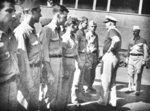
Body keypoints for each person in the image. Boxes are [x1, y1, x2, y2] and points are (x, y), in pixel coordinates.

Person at [14, 0, 42, 110]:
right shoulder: (21, 32)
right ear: (31, 11)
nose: (41, 14)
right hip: (26, 79)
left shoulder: (32, 30)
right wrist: (30, 85)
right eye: (39, 11)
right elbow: (22, 63)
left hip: (35, 74)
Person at [40, 4, 68, 111]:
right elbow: (44, 52)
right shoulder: (47, 30)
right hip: (50, 63)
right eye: (64, 17)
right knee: (48, 93)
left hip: (58, 62)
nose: (66, 20)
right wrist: (49, 71)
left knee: (56, 93)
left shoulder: (59, 29)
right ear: (57, 15)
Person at [98, 15, 122, 107]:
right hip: (115, 56)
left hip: (110, 56)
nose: (105, 25)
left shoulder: (111, 30)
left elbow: (116, 40)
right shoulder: (117, 31)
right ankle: (113, 101)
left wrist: (109, 50)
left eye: (106, 23)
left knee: (105, 79)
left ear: (111, 23)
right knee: (112, 81)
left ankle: (103, 101)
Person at [0, 0, 18, 111]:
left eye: (14, 11)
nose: (14, 15)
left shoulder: (13, 35)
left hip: (12, 86)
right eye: (9, 11)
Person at [60, 17, 79, 110]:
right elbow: (62, 54)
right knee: (64, 87)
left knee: (69, 86)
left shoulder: (73, 36)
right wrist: (64, 69)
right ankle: (61, 106)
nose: (77, 28)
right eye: (76, 26)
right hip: (66, 61)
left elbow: (75, 51)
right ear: (72, 26)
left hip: (72, 61)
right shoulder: (65, 37)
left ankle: (65, 105)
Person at [125, 26, 149, 96]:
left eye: (135, 31)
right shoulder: (130, 40)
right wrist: (127, 58)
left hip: (139, 58)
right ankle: (130, 88)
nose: (134, 32)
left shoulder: (143, 40)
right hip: (131, 57)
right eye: (133, 31)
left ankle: (137, 90)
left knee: (138, 74)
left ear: (138, 32)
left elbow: (146, 51)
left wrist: (144, 60)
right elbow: (128, 50)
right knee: (130, 73)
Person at [71, 16, 88, 104]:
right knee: (76, 79)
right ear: (81, 23)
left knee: (81, 79)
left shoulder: (83, 33)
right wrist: (78, 61)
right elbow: (76, 48)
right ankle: (73, 98)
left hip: (83, 56)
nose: (87, 25)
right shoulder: (78, 33)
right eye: (86, 23)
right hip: (79, 57)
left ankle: (79, 96)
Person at [85, 20, 99, 94]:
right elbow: (85, 45)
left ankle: (90, 86)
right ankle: (87, 87)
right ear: (89, 27)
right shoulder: (87, 34)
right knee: (88, 72)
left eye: (95, 26)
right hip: (89, 55)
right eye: (92, 26)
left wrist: (97, 57)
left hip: (94, 55)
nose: (94, 28)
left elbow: (97, 46)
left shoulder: (96, 35)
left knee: (93, 72)